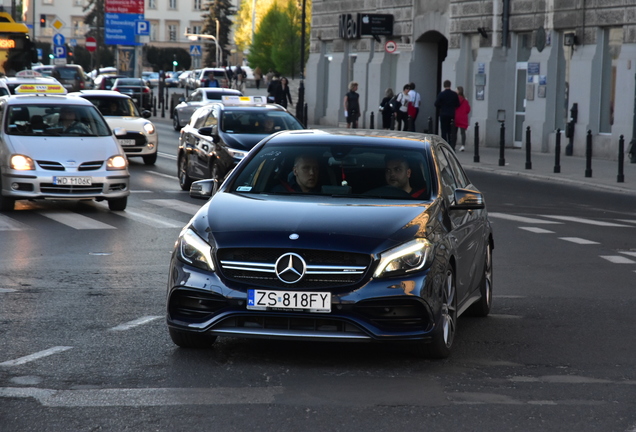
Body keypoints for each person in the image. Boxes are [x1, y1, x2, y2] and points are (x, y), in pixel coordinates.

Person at [434, 80, 460, 148]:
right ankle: (450, 144)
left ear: (444, 85)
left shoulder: (441, 94)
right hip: (451, 114)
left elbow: (436, 104)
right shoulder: (454, 94)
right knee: (450, 130)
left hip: (443, 114)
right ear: (450, 85)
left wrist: (441, 106)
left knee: (443, 130)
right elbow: (458, 104)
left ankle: (444, 144)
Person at [453, 86, 471, 151]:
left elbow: (454, 107)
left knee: (454, 132)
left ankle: (453, 145)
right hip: (463, 118)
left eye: (456, 90)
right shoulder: (465, 100)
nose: (455, 91)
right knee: (463, 133)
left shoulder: (455, 99)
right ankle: (463, 145)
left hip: (456, 117)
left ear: (458, 91)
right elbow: (468, 110)